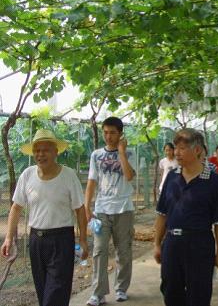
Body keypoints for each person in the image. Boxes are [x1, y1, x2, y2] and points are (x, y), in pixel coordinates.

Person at [1, 129, 88, 306]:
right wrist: (9, 238)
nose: (40, 154)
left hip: (61, 240)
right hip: (36, 241)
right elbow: (16, 208)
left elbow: (80, 209)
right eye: (37, 150)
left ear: (56, 152)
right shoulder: (27, 175)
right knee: (43, 292)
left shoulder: (68, 176)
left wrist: (83, 240)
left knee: (55, 293)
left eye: (45, 150)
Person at [153, 128, 218, 306]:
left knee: (199, 294)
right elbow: (162, 213)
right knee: (171, 292)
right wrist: (157, 243)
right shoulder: (172, 177)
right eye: (175, 147)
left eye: (182, 148)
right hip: (172, 244)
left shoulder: (213, 180)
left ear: (197, 150)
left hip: (200, 245)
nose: (176, 152)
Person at [85, 117, 136, 306]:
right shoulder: (96, 155)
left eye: (112, 132)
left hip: (124, 209)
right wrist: (86, 206)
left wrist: (121, 151)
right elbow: (92, 181)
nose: (108, 136)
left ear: (120, 133)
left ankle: (121, 288)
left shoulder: (129, 153)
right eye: (105, 132)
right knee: (99, 250)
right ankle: (98, 293)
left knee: (123, 251)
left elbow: (129, 176)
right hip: (101, 210)